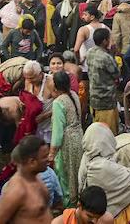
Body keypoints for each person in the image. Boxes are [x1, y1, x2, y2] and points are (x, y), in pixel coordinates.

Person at [79, 123, 130, 222]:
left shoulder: (87, 157)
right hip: (109, 216)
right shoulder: (103, 166)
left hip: (90, 210)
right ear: (106, 139)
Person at [0, 135, 53, 223]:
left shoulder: (36, 179)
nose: (49, 159)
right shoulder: (16, 191)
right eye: (44, 157)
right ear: (32, 162)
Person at [50, 70, 83, 207]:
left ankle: (69, 204)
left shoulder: (58, 102)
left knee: (65, 174)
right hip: (79, 136)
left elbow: (57, 133)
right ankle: (79, 198)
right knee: (77, 170)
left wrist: (52, 153)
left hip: (67, 141)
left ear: (55, 86)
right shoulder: (74, 95)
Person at [86, 27, 120, 135]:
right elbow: (116, 73)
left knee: (97, 131)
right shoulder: (106, 57)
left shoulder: (90, 52)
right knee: (109, 133)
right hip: (107, 101)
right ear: (105, 41)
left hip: (94, 98)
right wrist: (113, 54)